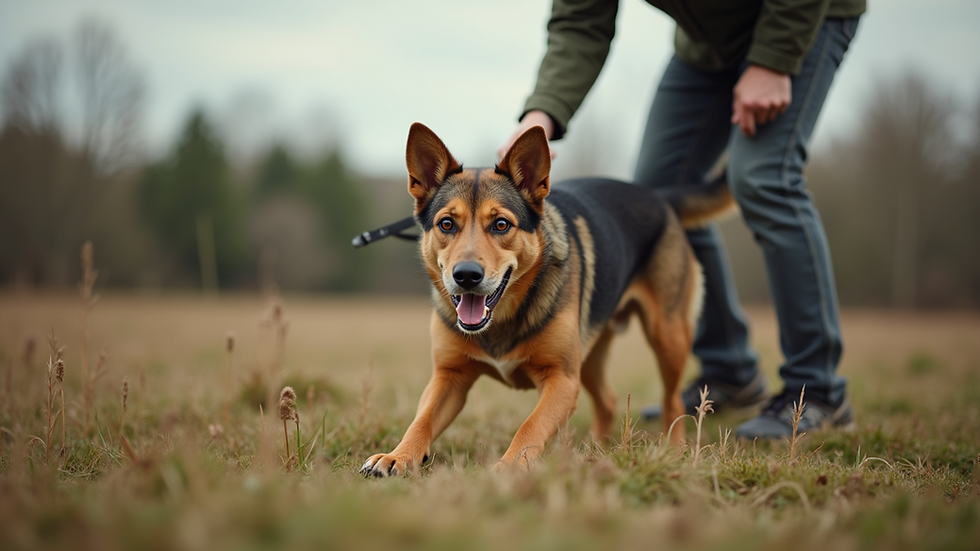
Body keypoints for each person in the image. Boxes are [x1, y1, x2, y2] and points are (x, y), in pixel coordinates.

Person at [499, 0, 864, 439]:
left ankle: (819, 391)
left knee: (764, 177)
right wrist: (543, 110)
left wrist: (774, 58)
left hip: (802, 16)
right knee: (653, 204)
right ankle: (730, 369)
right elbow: (581, 18)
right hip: (707, 45)